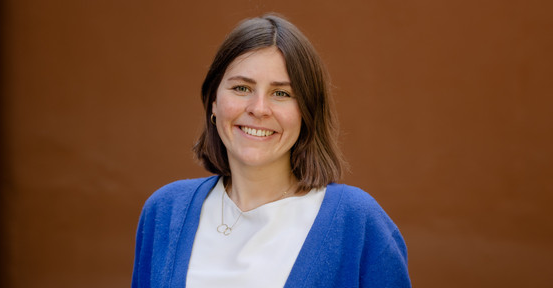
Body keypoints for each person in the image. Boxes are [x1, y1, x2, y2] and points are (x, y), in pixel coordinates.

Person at [132, 13, 411, 288]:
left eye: (281, 93)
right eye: (242, 88)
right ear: (213, 102)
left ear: (306, 112)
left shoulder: (356, 221)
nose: (258, 109)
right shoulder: (165, 211)